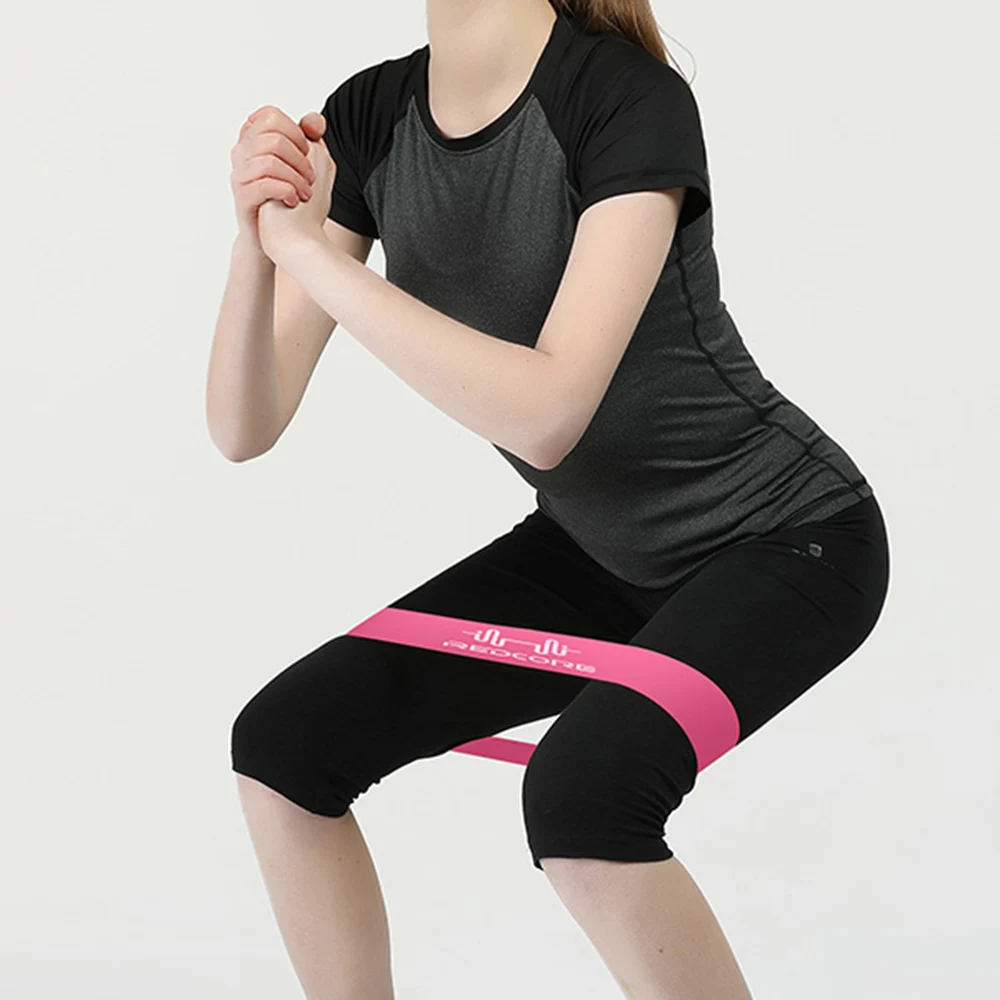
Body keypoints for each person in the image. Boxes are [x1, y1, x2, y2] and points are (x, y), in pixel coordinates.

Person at [207, 1, 890, 998]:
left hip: (785, 537)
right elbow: (245, 424)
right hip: (595, 552)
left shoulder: (622, 99)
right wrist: (257, 237)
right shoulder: (370, 116)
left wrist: (309, 254)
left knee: (585, 798)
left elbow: (545, 414)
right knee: (283, 749)